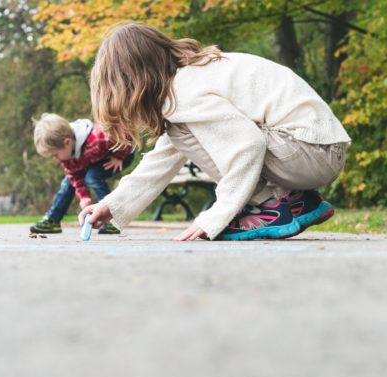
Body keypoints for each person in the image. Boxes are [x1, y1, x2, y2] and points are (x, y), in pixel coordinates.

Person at [79, 23, 350, 241]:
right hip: (317, 148)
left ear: (133, 83)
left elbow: (248, 145)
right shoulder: (192, 77)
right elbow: (162, 159)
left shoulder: (183, 94)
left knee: (179, 132)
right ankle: (298, 202)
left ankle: (267, 208)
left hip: (307, 151)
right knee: (177, 134)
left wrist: (218, 214)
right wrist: (113, 206)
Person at [31, 113, 134, 234]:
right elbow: (74, 176)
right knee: (68, 181)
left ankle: (112, 220)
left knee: (92, 177)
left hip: (121, 153)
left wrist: (119, 156)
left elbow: (126, 136)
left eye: (55, 155)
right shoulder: (66, 155)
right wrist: (84, 196)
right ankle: (53, 220)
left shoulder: (98, 138)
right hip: (92, 159)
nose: (56, 160)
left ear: (67, 142)